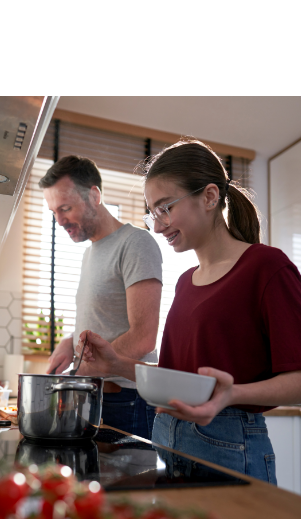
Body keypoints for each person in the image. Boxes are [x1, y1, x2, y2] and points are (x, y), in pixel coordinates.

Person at [77, 138, 301, 485]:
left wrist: (234, 393)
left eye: (166, 207)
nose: (158, 223)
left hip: (228, 446)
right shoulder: (186, 282)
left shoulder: (266, 267)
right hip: (168, 442)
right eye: (152, 213)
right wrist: (114, 364)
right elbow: (173, 379)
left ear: (209, 197)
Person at [40, 155, 163, 441]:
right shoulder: (90, 253)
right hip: (95, 397)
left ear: (94, 195)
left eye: (66, 208)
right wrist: (70, 342)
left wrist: (82, 371)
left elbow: (144, 336)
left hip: (126, 403)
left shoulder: (136, 243)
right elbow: (106, 320)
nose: (60, 220)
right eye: (54, 212)